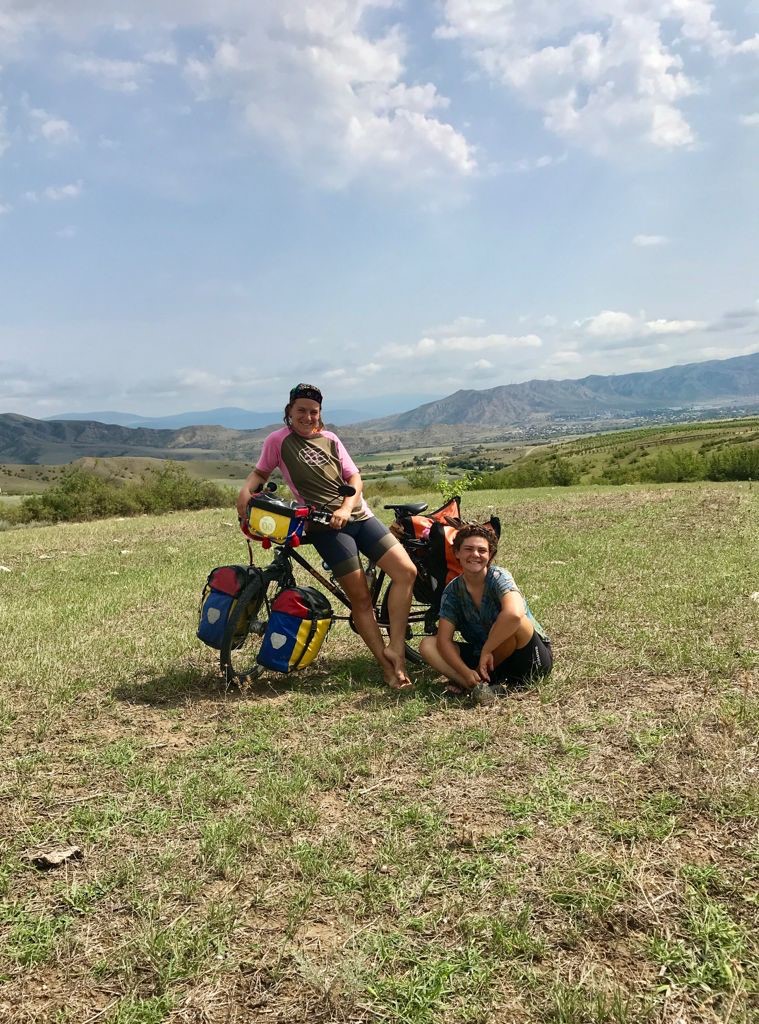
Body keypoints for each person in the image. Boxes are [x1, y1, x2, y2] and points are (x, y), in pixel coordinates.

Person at [236, 383, 417, 691]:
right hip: (325, 526)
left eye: (314, 412)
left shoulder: (331, 439)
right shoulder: (278, 441)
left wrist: (348, 506)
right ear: (289, 412)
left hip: (360, 516)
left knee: (406, 572)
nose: (308, 417)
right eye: (301, 411)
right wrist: (244, 494)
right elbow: (260, 474)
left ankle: (396, 647)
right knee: (360, 599)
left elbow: (354, 478)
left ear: (320, 414)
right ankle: (389, 669)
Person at [418, 524, 552, 704]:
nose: (475, 554)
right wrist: (464, 672)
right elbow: (443, 640)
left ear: (490, 556)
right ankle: (471, 682)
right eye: (468, 549)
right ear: (457, 553)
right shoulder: (452, 591)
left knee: (517, 623)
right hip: (486, 660)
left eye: (482, 550)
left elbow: (514, 614)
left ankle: (483, 680)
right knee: (428, 644)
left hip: (526, 658)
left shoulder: (499, 576)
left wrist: (487, 649)